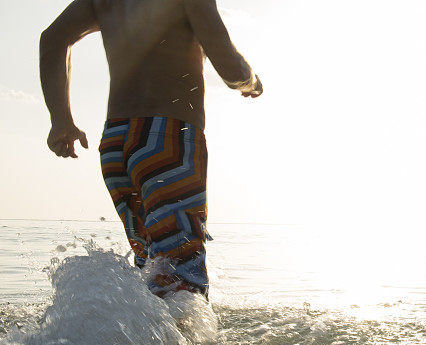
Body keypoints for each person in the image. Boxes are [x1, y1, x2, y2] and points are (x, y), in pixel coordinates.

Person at [39, 0, 262, 298]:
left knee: (151, 271)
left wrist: (61, 120)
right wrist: (250, 81)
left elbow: (53, 38)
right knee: (181, 279)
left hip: (116, 144)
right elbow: (229, 65)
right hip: (166, 139)